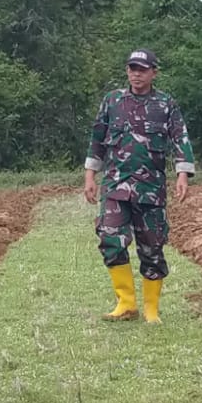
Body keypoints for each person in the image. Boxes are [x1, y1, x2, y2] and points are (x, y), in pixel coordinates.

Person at [83, 48, 195, 324]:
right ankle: (126, 302)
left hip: (150, 188)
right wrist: (90, 175)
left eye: (142, 69)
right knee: (109, 237)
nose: (136, 73)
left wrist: (182, 174)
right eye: (132, 68)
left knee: (152, 247)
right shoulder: (112, 101)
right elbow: (97, 138)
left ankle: (151, 310)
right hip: (115, 185)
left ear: (153, 73)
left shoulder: (165, 104)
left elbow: (180, 138)